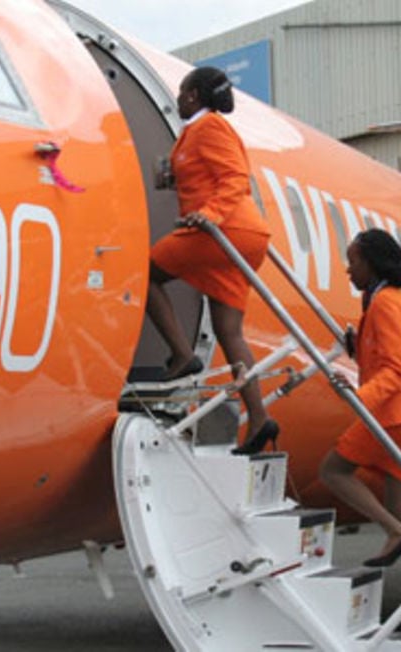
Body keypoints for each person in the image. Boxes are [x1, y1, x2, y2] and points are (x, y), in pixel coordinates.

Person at [146, 66, 276, 455]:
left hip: (224, 230)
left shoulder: (210, 127)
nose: (178, 99)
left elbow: (235, 177)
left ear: (193, 95)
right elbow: (204, 174)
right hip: (239, 234)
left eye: (182, 92)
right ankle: (259, 419)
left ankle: (182, 355)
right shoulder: (195, 132)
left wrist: (210, 214)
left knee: (146, 274)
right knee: (228, 331)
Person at [318, 228, 401, 629]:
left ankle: (393, 532)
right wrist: (358, 349)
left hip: (394, 413)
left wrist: (359, 398)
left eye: (353, 261)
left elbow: (393, 370)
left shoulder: (385, 303)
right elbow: (389, 356)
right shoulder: (394, 299)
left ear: (371, 264)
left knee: (333, 471)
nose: (348, 269)